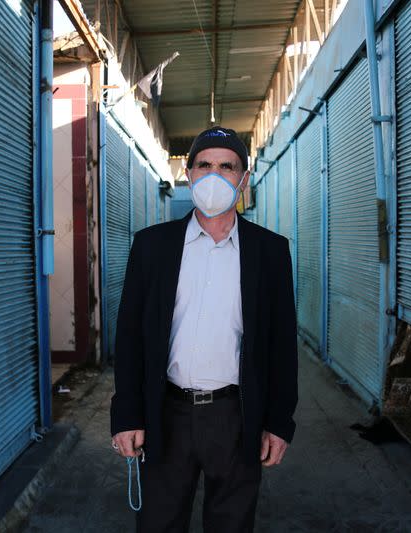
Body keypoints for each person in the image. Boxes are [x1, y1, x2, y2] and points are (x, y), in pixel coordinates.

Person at [110, 126, 298, 532]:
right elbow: (129, 337)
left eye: (227, 166)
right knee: (158, 523)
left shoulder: (270, 251)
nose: (215, 175)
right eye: (205, 165)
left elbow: (282, 344)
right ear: (189, 174)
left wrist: (279, 422)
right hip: (167, 412)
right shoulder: (152, 246)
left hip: (236, 415)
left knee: (231, 524)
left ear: (243, 179)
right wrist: (127, 413)